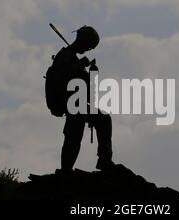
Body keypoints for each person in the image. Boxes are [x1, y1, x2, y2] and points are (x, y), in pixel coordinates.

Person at [51, 26, 115, 173]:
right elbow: (61, 78)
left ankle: (105, 160)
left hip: (79, 102)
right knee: (74, 132)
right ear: (83, 41)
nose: (88, 50)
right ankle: (66, 169)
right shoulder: (64, 55)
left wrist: (91, 75)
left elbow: (83, 86)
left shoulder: (72, 58)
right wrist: (80, 65)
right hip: (67, 102)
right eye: (88, 46)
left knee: (104, 119)